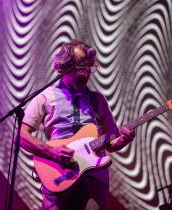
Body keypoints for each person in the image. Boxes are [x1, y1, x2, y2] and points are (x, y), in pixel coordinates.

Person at [20, 40, 135, 210]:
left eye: (89, 67)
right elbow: (22, 136)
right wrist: (51, 151)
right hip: (59, 173)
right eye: (81, 67)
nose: (86, 73)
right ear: (61, 68)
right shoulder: (45, 97)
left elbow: (111, 143)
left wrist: (123, 140)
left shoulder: (97, 100)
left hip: (94, 176)